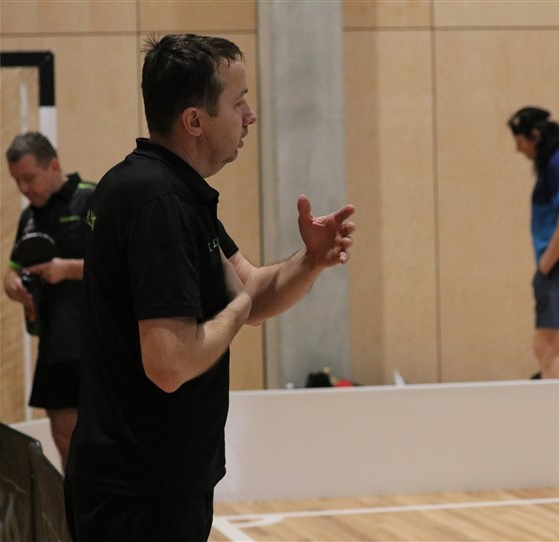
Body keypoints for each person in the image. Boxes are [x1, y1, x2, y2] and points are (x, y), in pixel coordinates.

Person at [64, 34, 355, 542]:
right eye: (238, 103)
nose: (250, 116)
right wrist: (237, 311)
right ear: (195, 121)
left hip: (150, 486)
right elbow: (170, 363)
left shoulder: (165, 189)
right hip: (139, 496)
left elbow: (251, 288)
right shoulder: (158, 202)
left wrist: (310, 260)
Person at [3, 132, 95, 470]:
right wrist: (11, 284)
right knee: (63, 435)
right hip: (54, 342)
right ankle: (74, 500)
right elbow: (12, 269)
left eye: (29, 178)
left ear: (53, 165)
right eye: (17, 181)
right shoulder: (28, 217)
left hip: (98, 341)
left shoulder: (92, 199)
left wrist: (67, 269)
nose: (23, 188)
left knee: (104, 439)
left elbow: (120, 266)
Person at [508, 107, 559, 378]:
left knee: (545, 346)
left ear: (535, 136)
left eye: (520, 141)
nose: (518, 149)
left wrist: (544, 267)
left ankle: (556, 405)